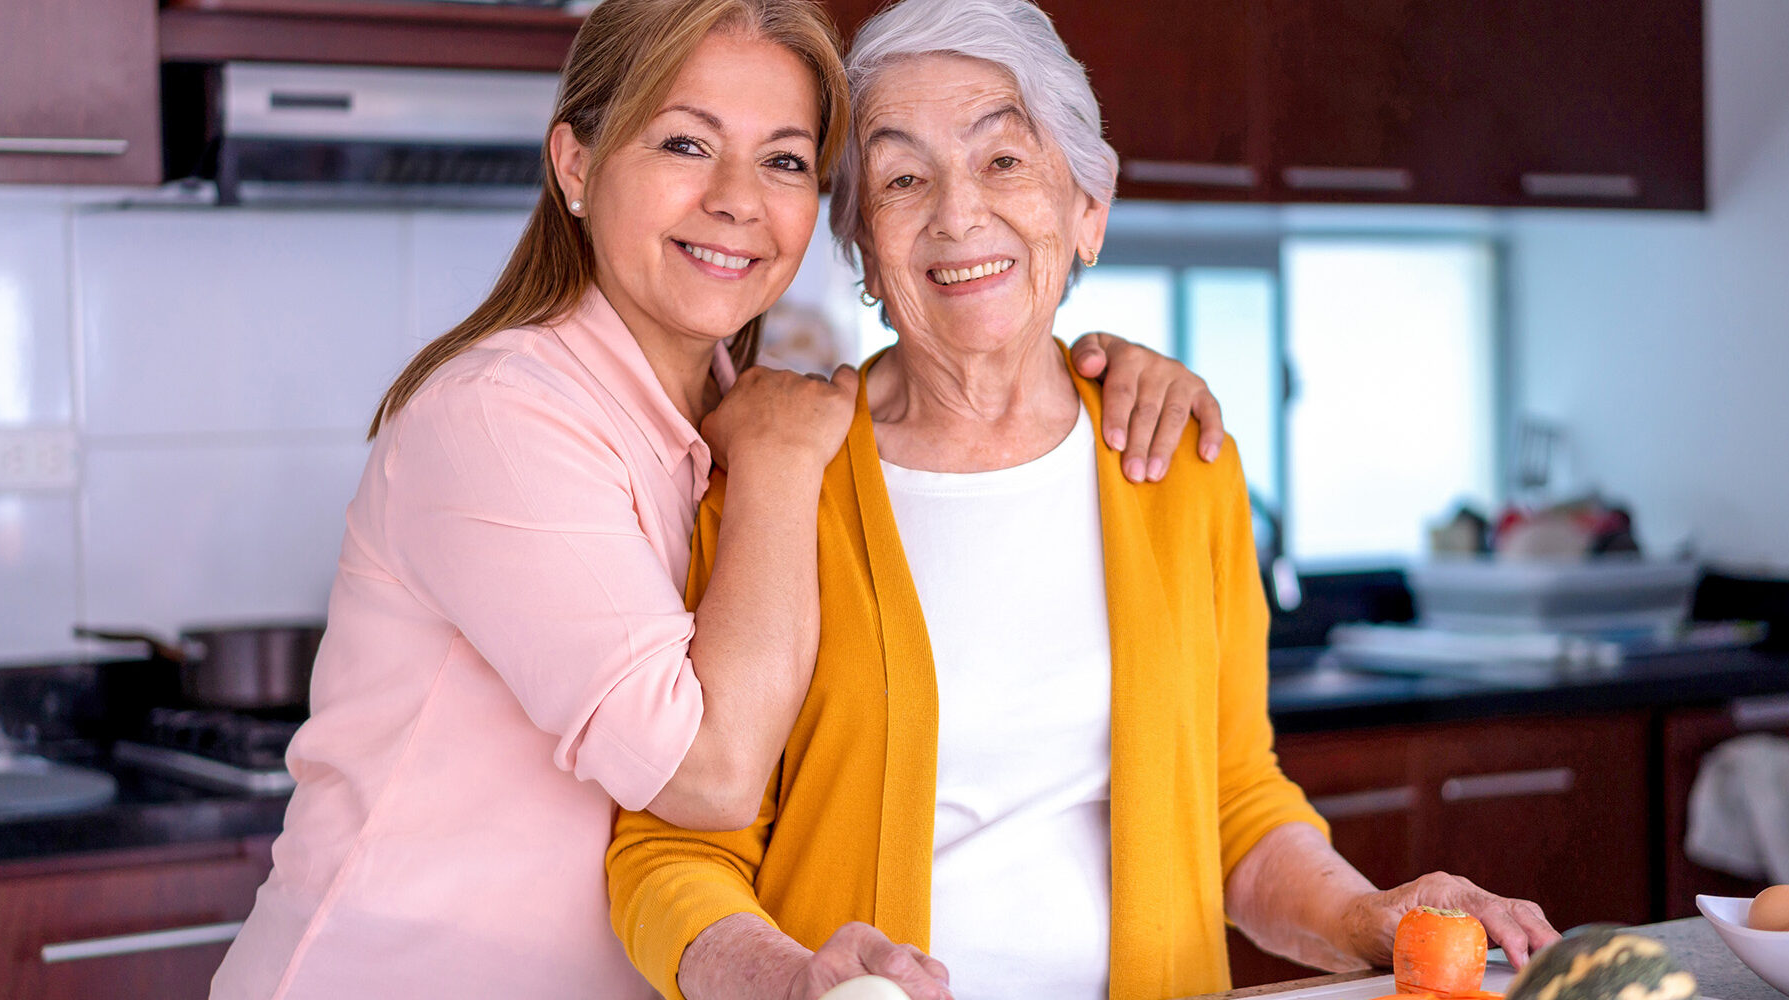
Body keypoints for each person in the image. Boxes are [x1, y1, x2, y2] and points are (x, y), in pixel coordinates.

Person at [209, 1, 1223, 997]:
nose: (738, 198)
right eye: (686, 145)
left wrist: (1101, 373)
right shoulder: (504, 416)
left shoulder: (741, 421)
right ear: (575, 164)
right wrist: (781, 469)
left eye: (783, 160)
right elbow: (708, 776)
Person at [604, 3, 1563, 1000]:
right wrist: (790, 982)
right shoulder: (775, 472)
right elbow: (667, 851)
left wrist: (1366, 915)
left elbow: (1232, 801)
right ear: (857, 241)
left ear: (1086, 212)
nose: (955, 213)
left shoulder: (1179, 461)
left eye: (1004, 161)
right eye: (899, 178)